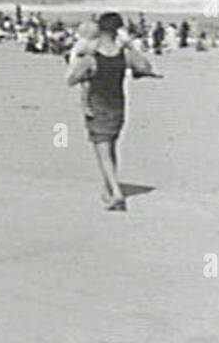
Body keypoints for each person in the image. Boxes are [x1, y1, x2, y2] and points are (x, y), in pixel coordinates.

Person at [66, 11, 161, 211]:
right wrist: (129, 45)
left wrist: (84, 73)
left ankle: (116, 193)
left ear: (99, 29)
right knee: (111, 148)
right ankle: (109, 188)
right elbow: (145, 66)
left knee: (103, 153)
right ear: (119, 30)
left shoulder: (92, 57)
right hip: (117, 104)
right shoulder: (124, 54)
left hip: (97, 105)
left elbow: (71, 79)